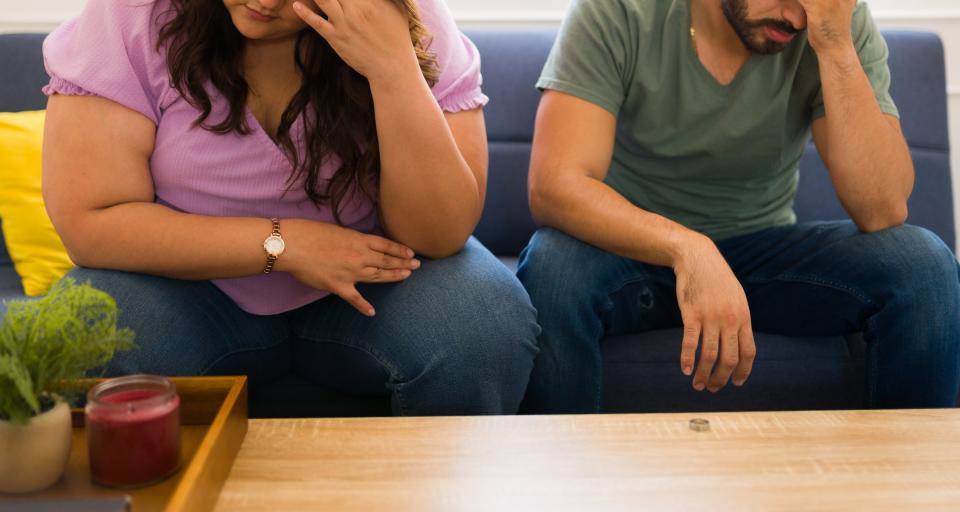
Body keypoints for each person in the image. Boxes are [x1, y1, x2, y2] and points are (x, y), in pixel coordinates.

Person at [41, 0, 540, 416]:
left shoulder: (414, 20)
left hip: (366, 290)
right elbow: (92, 221)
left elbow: (439, 234)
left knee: (481, 323)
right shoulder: (133, 16)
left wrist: (392, 69)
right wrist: (285, 244)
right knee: (80, 331)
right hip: (189, 289)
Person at [518, 0, 960, 413]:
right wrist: (687, 249)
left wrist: (836, 46)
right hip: (632, 254)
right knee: (553, 269)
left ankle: (904, 493)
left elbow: (882, 210)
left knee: (921, 266)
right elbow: (556, 184)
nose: (796, 17)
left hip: (763, 253)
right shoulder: (618, 11)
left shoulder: (831, 18)